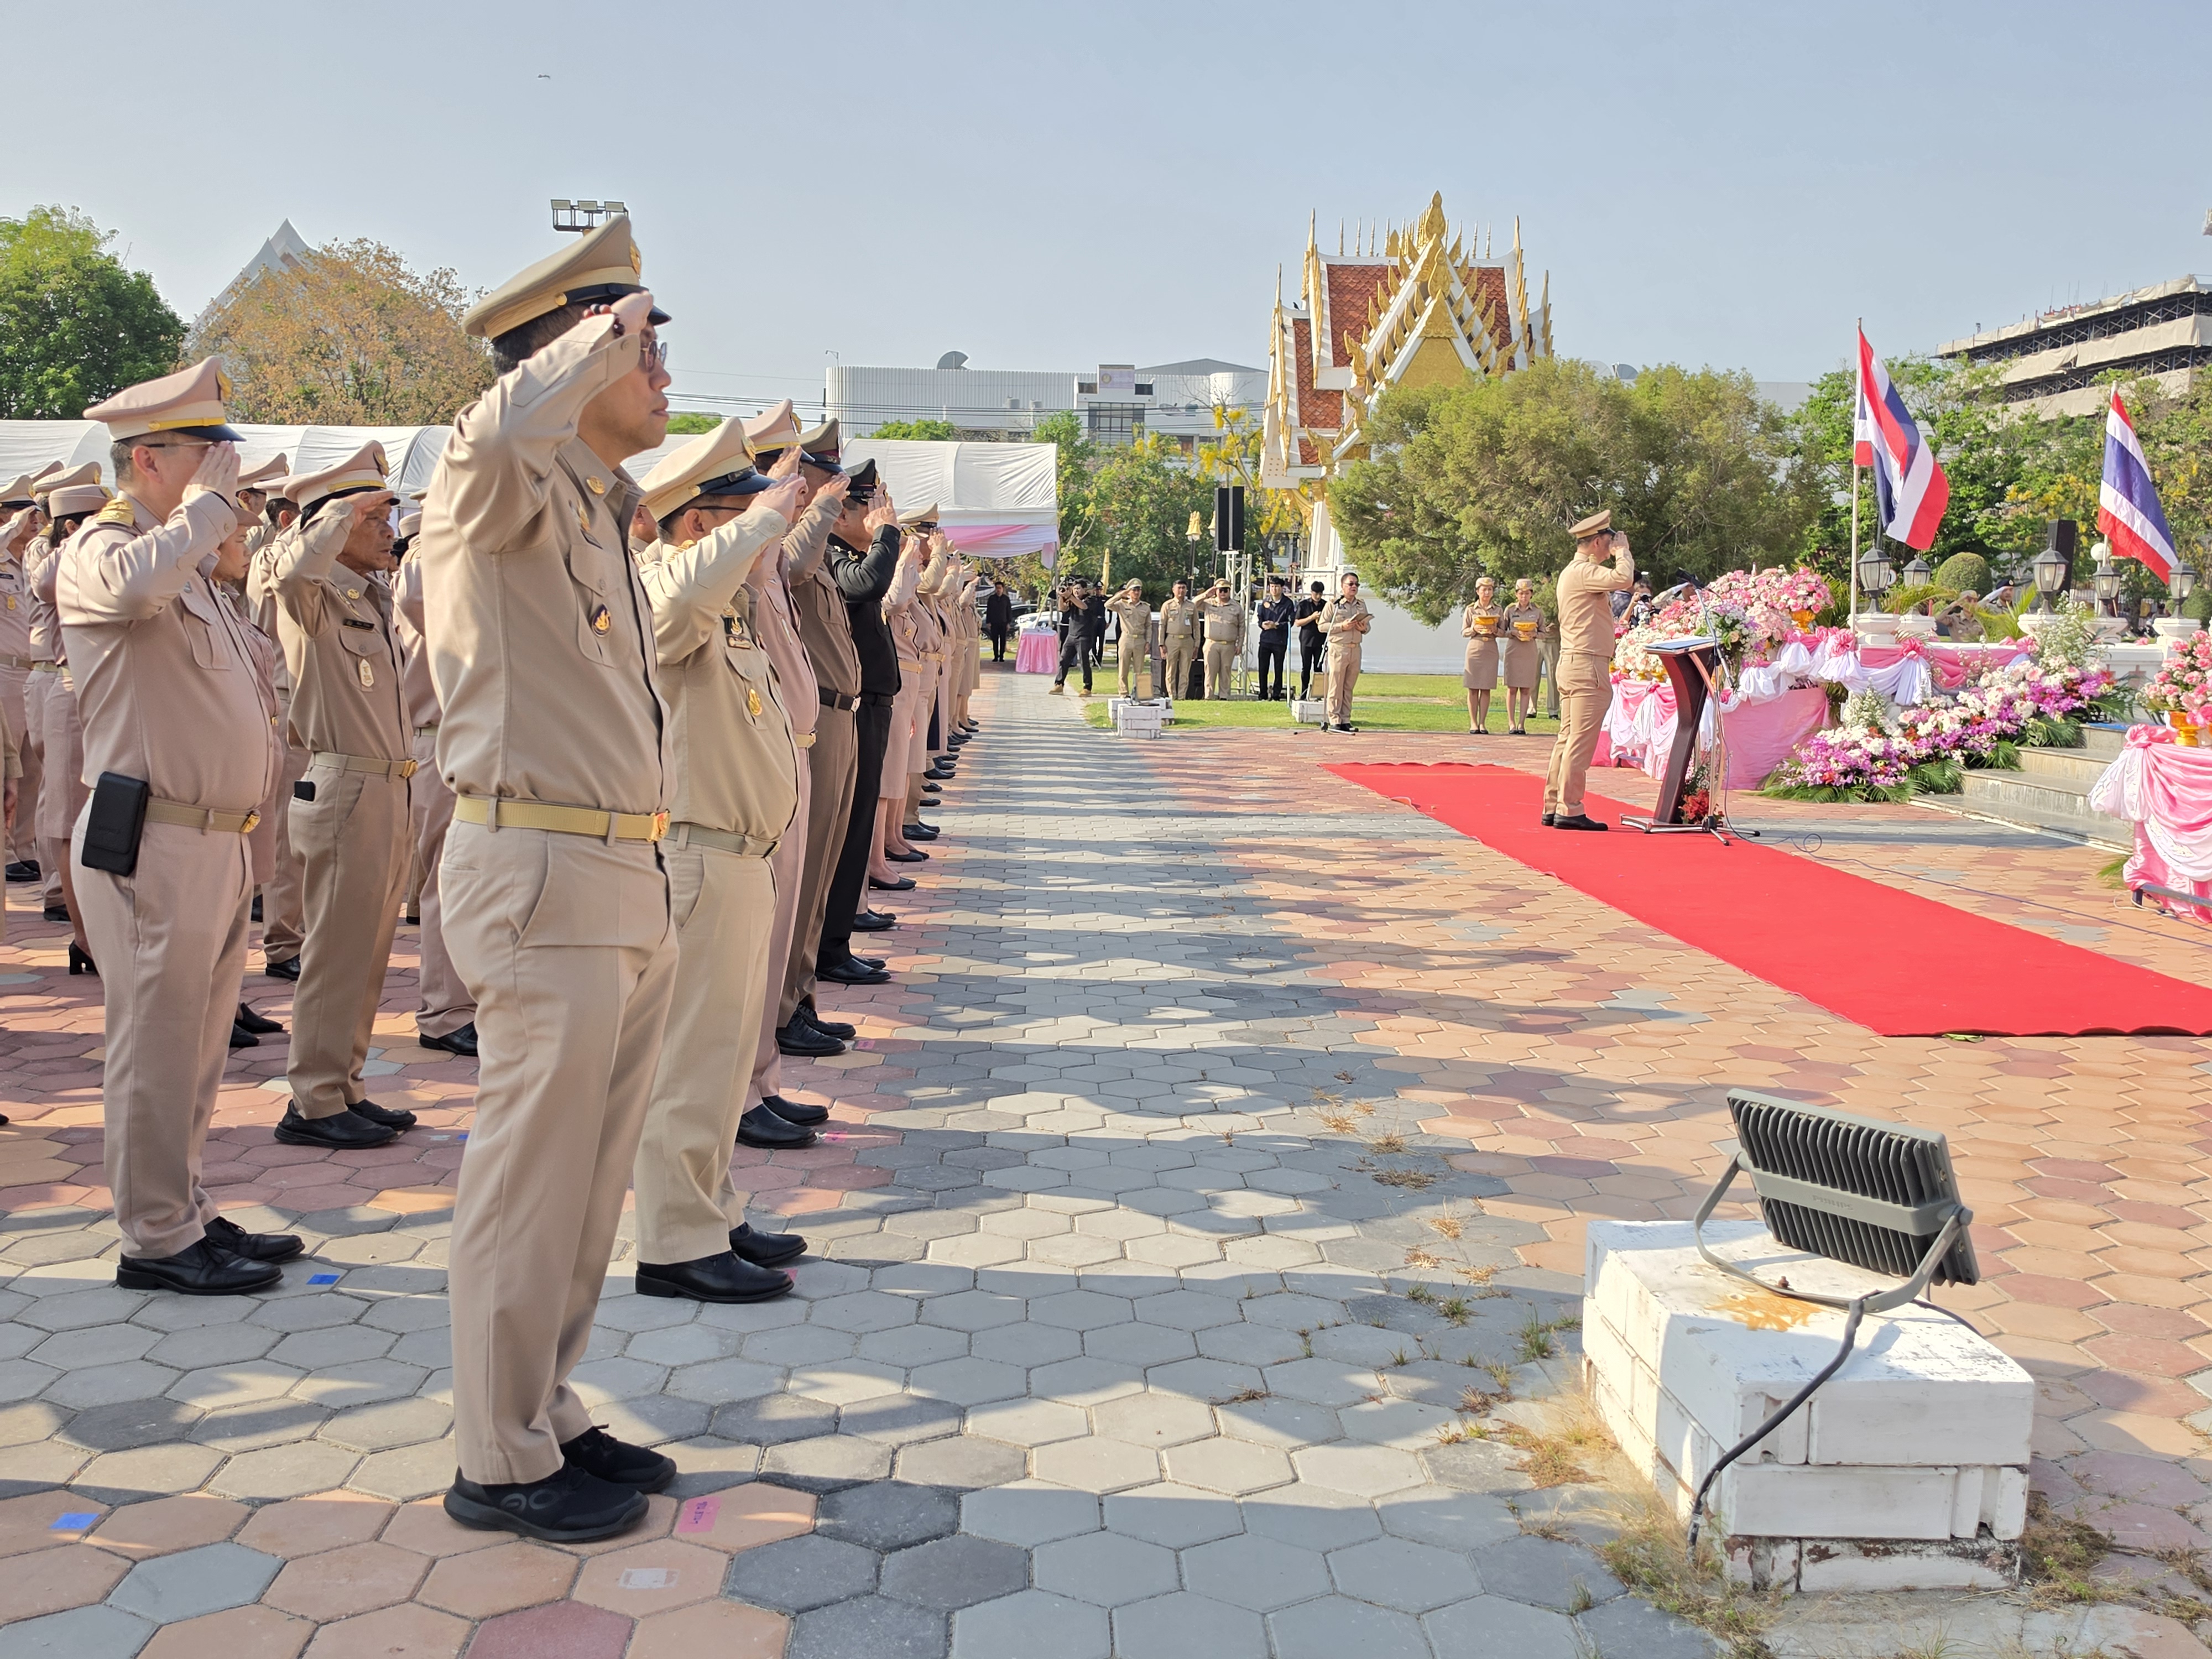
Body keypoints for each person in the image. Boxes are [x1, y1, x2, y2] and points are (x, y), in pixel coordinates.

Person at [423, 217, 682, 1542]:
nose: (662, 367)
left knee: (586, 1177)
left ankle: (547, 1402)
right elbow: (485, 437)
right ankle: (498, 1451)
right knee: (530, 1174)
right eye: (646, 339)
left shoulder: (591, 503)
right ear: (574, 355)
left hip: (614, 870)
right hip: (536, 864)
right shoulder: (497, 482)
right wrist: (595, 332)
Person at [61, 359, 290, 1297]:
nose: (227, 479)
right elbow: (125, 595)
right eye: (209, 454)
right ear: (150, 460)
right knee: (155, 1047)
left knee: (195, 1048)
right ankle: (155, 1237)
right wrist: (203, 517)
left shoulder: (186, 565)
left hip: (213, 841)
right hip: (153, 837)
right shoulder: (104, 550)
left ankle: (183, 1203)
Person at [630, 413, 811, 1302]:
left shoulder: (723, 606)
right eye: (742, 516)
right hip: (697, 856)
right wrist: (765, 518)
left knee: (726, 1054)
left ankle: (712, 1212)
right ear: (704, 524)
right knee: (690, 1061)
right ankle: (673, 1242)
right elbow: (670, 606)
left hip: (743, 856)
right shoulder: (665, 587)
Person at [269, 446, 420, 1150]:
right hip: (345, 786)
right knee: (336, 952)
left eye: (389, 514)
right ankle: (314, 1100)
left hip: (387, 785)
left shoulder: (369, 593)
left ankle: (345, 1084)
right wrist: (335, 517)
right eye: (374, 517)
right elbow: (297, 567)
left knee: (367, 951)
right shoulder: (311, 590)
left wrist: (356, 518)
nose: (390, 529)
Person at [736, 416, 846, 1130]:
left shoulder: (766, 559)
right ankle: (744, 1086)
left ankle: (763, 1073)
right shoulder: (739, 561)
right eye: (787, 473)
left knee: (783, 925)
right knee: (744, 956)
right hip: (742, 781)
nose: (797, 490)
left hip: (795, 745)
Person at [392, 500, 478, 1058]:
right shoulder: (425, 560)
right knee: (447, 884)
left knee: (466, 883)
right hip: (439, 737)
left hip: (466, 739)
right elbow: (419, 583)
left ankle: (461, 1003)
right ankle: (445, 1012)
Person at [817, 470, 904, 992]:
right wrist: (888, 536)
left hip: (868, 701)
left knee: (859, 822)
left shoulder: (842, 554)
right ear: (841, 514)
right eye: (865, 510)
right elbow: (870, 585)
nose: (875, 520)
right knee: (846, 830)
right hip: (848, 708)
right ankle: (830, 947)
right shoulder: (827, 552)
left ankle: (837, 942)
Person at [1542, 510, 1635, 831]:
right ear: (1598, 541)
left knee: (1567, 738)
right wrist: (1623, 553)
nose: (1610, 547)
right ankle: (1570, 808)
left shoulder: (1575, 571)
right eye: (1608, 541)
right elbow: (1624, 579)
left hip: (1574, 662)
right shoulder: (1583, 571)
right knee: (1579, 742)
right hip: (1586, 664)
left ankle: (1554, 803)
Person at [0, 478, 44, 885]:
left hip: (34, 672)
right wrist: (11, 528)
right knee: (6, 768)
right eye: (21, 512)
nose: (33, 520)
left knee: (33, 768)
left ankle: (24, 846)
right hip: (5, 674)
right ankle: (5, 848)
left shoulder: (31, 561)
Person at [1316, 571, 1372, 732]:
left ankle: (1346, 719)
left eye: (1356, 584)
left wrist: (1364, 628)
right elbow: (1322, 626)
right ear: (1342, 586)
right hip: (1339, 649)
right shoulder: (1334, 604)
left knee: (1348, 687)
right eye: (1351, 584)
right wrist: (1342, 627)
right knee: (1336, 686)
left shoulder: (1361, 604)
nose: (1354, 587)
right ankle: (1335, 720)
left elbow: (1367, 626)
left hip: (1355, 649)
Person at [1501, 576, 1546, 735]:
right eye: (1521, 593)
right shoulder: (1510, 610)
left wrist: (1534, 634)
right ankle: (1511, 723)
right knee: (1512, 688)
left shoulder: (1537, 611)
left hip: (1529, 651)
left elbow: (1543, 633)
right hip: (1514, 650)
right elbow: (1502, 631)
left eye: (1527, 593)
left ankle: (1521, 724)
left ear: (1531, 594)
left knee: (1526, 688)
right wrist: (1513, 632)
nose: (1524, 597)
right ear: (1516, 594)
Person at [1461, 576, 1504, 734]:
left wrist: (1496, 630)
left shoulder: (1498, 610)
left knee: (1486, 688)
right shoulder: (1471, 609)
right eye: (1484, 589)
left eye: (1490, 589)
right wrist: (1474, 629)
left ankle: (1483, 723)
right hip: (1475, 647)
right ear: (1477, 591)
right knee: (1473, 688)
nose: (1487, 592)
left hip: (1491, 648)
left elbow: (1504, 631)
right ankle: (1473, 723)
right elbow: (1463, 632)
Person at [1050, 577, 1096, 696]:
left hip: (1084, 636)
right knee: (1064, 660)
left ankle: (1087, 687)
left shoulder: (1090, 600)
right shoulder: (1072, 599)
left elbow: (1083, 607)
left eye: (1079, 589)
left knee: (1084, 662)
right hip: (1072, 635)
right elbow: (1062, 608)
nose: (1076, 591)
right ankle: (1059, 684)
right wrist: (1061, 595)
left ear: (1085, 590)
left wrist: (1070, 596)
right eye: (1074, 589)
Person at [1200, 578, 1245, 699]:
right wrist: (1206, 594)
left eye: (1226, 590)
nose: (1223, 593)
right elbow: (1192, 605)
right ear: (1216, 591)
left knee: (1226, 670)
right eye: (1220, 590)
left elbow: (1242, 627)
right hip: (1211, 643)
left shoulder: (1236, 607)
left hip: (1228, 644)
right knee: (1210, 670)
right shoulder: (1209, 603)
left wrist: (1240, 644)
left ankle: (1224, 696)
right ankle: (1208, 696)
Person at [1106, 578, 1151, 696]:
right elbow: (1108, 604)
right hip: (1126, 638)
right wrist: (1121, 595)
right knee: (1123, 669)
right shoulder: (1122, 605)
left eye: (1139, 590)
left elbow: (1149, 626)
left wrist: (1148, 642)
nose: (1137, 593)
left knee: (1139, 670)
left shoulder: (1146, 607)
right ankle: (1124, 693)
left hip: (1140, 640)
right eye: (1134, 590)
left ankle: (1138, 693)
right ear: (1129, 592)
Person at [1160, 578, 1200, 700]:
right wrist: (1161, 644)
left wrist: (1196, 645)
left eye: (1183, 588)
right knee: (1171, 670)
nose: (1181, 590)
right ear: (1173, 590)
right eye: (1179, 588)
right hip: (1172, 640)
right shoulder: (1167, 605)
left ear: (1186, 590)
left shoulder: (1191, 606)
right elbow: (1162, 625)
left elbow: (1196, 626)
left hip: (1187, 641)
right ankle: (1172, 695)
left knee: (1185, 671)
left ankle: (1182, 696)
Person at [1254, 576, 1292, 699]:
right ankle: (1263, 694)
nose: (1274, 589)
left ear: (1282, 588)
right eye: (1272, 587)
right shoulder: (1266, 602)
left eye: (1276, 587)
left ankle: (1276, 695)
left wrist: (1276, 625)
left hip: (1279, 641)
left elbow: (1290, 622)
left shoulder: (1288, 604)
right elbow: (1260, 618)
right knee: (1263, 668)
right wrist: (1262, 624)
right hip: (1265, 640)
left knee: (1278, 668)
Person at [1295, 578, 1327, 700]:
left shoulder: (1326, 605)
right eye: (1316, 593)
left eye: (1320, 594)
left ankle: (1318, 695)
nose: (1318, 596)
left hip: (1321, 641)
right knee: (1306, 668)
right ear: (1311, 592)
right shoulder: (1304, 605)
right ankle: (1304, 694)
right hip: (1306, 640)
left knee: (1318, 668)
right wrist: (1311, 617)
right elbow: (1298, 622)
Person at [985, 578, 1013, 661]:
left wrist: (1009, 623)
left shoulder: (1006, 599)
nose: (998, 590)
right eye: (997, 588)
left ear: (1003, 589)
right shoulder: (992, 599)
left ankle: (1001, 656)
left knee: (1003, 640)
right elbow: (989, 611)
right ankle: (995, 656)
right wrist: (988, 622)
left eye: (1000, 588)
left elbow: (1009, 611)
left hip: (1003, 623)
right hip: (994, 623)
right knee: (995, 640)